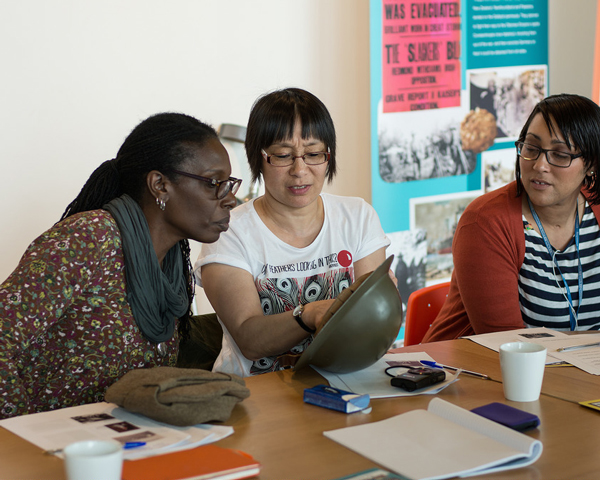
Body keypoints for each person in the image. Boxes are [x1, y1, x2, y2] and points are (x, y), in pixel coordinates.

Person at [0, 113, 240, 418]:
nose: (230, 199)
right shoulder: (88, 238)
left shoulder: (173, 260)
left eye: (229, 184)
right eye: (214, 183)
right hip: (47, 446)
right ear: (160, 185)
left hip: (123, 437)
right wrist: (21, 435)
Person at [196, 88, 390, 377]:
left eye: (313, 154)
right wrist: (308, 315)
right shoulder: (230, 232)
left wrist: (381, 301)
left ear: (329, 156)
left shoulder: (357, 217)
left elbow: (370, 326)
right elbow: (249, 340)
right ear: (258, 159)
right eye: (283, 155)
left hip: (346, 382)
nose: (300, 170)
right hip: (255, 397)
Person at [423, 93, 600, 342]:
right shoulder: (485, 222)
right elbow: (506, 346)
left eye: (560, 155)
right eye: (532, 148)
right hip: (480, 373)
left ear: (591, 163)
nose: (539, 165)